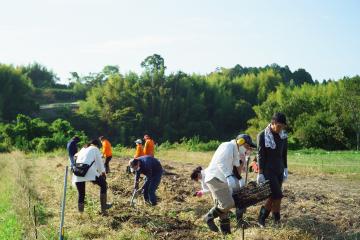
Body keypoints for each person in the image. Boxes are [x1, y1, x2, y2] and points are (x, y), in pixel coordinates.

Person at [203, 134, 256, 234]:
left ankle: (226, 234)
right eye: (247, 146)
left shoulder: (235, 151)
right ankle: (208, 217)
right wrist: (228, 176)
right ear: (240, 142)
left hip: (221, 179)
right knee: (228, 204)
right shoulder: (227, 146)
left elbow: (236, 168)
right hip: (214, 178)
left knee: (224, 209)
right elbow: (220, 162)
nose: (248, 148)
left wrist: (240, 179)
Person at [256, 112, 288, 227]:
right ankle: (277, 220)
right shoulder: (262, 135)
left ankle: (261, 218)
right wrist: (260, 173)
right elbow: (260, 155)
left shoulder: (283, 136)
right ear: (273, 123)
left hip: (279, 169)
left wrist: (285, 168)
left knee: (272, 196)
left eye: (283, 127)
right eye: (279, 126)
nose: (281, 129)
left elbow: (284, 154)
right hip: (268, 170)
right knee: (278, 195)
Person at [72, 139, 111, 214]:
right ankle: (103, 209)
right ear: (96, 145)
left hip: (78, 171)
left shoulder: (83, 148)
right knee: (103, 185)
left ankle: (81, 214)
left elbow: (75, 156)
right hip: (88, 172)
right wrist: (103, 173)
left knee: (81, 193)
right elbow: (99, 162)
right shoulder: (95, 149)